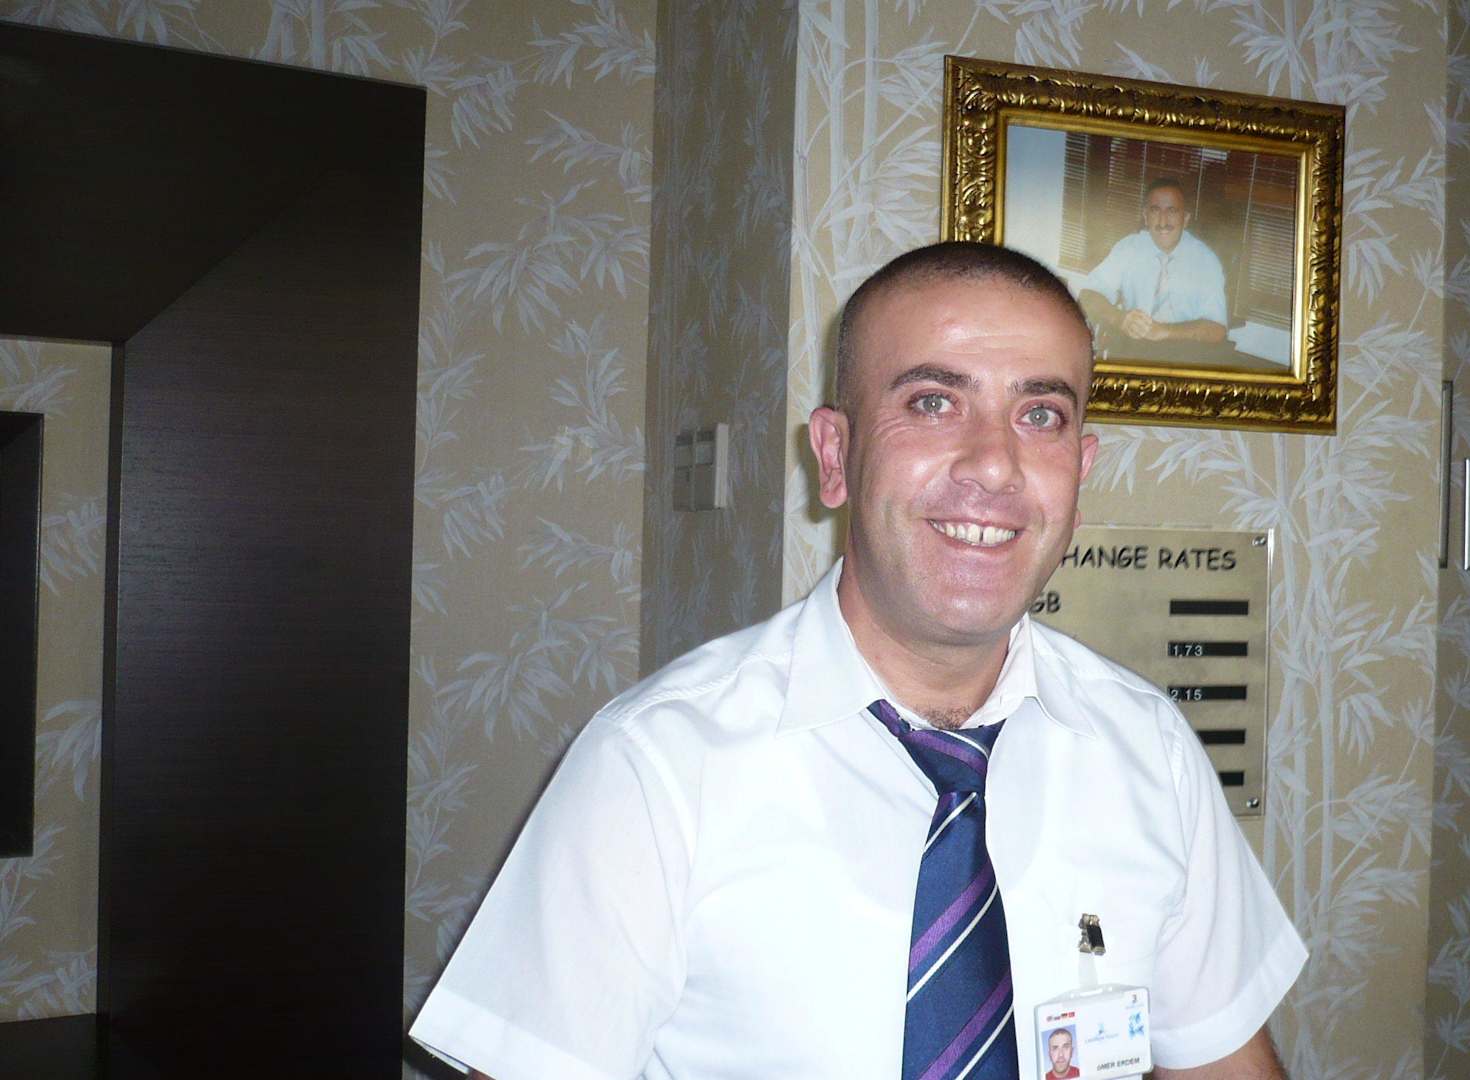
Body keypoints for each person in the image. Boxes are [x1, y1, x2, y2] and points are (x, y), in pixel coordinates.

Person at [408, 241, 1306, 1079]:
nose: (995, 465)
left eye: (1041, 415)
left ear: (1081, 468)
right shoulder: (655, 771)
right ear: (835, 457)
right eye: (933, 402)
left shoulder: (1150, 752)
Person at [1078, 178, 1230, 347]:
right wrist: (1119, 318)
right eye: (1155, 210)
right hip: (1135, 344)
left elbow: (1217, 329)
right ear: (1145, 217)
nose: (1163, 222)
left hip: (1186, 348)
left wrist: (1165, 331)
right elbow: (1088, 295)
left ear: (1186, 219)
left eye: (1172, 211)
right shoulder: (1129, 248)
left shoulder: (1205, 260)